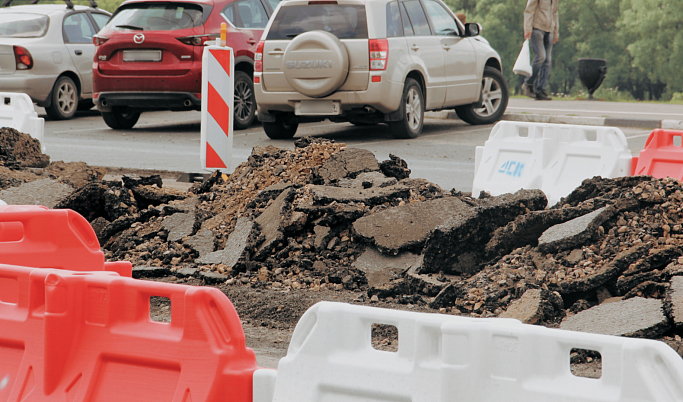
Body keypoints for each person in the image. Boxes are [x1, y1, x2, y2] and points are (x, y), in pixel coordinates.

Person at [521, 0, 559, 101]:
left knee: (547, 61)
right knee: (540, 57)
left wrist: (556, 32)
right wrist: (527, 28)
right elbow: (529, 10)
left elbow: (555, 13)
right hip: (537, 28)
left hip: (550, 30)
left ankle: (541, 90)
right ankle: (528, 83)